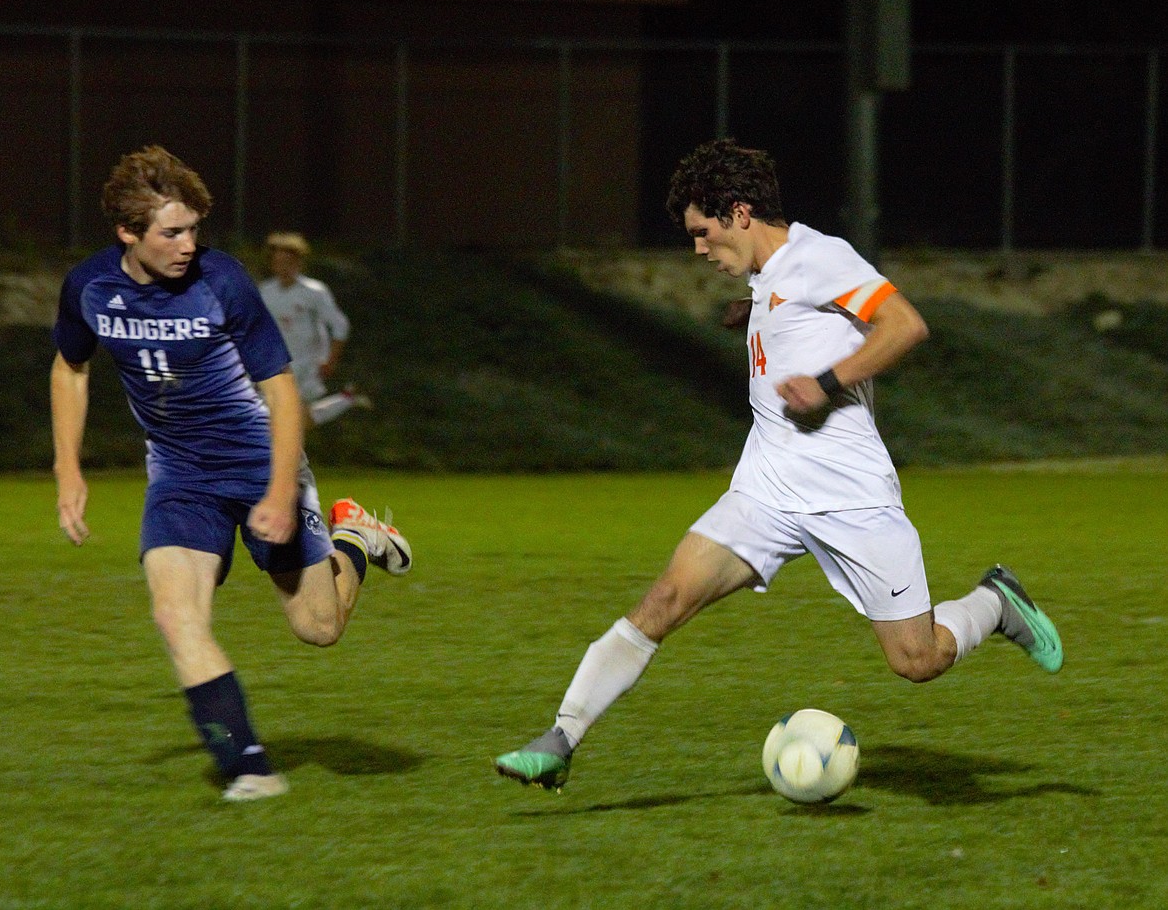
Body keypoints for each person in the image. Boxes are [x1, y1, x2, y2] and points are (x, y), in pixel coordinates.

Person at [494, 138, 1063, 791]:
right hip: (765, 490)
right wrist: (754, 315)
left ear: (739, 212)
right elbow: (794, 313)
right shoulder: (767, 277)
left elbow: (904, 325)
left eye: (703, 233)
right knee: (666, 598)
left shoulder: (819, 257)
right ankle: (561, 738)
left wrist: (828, 380)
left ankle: (995, 601)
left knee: (918, 659)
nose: (699, 251)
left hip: (850, 497)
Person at [51, 145, 413, 802]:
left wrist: (279, 491)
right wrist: (68, 468)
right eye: (172, 232)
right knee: (175, 615)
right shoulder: (90, 288)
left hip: (260, 463)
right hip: (180, 475)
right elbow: (70, 367)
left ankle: (356, 537)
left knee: (317, 628)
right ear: (127, 233)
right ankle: (250, 766)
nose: (190, 244)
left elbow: (281, 391)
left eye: (194, 228)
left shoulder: (223, 283)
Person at [258, 231, 372, 427]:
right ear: (272, 264)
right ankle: (347, 399)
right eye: (279, 262)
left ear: (299, 263)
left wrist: (331, 359)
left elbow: (340, 326)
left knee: (290, 424)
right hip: (277, 364)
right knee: (292, 422)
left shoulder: (314, 292)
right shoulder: (266, 291)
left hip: (308, 363)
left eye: (289, 262)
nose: (284, 267)